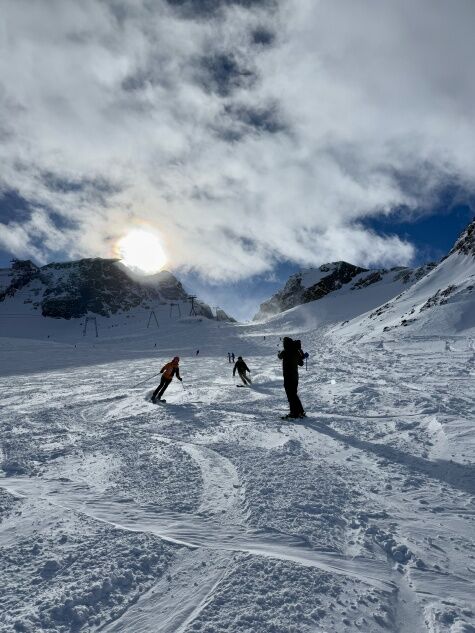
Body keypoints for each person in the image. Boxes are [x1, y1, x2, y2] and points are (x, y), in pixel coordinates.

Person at [278, 337, 306, 419]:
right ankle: (300, 411)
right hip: (295, 377)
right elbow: (301, 363)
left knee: (290, 395)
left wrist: (279, 353)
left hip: (288, 376)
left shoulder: (285, 351)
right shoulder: (296, 351)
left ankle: (294, 413)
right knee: (294, 394)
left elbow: (280, 357)